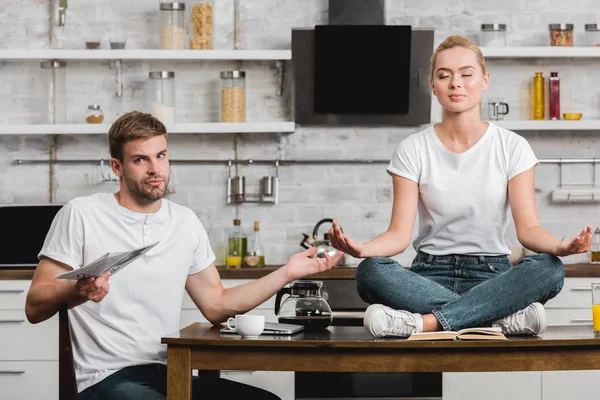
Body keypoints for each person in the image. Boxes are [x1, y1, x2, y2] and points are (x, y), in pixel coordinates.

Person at [25, 111, 344, 400]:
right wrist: (76, 290)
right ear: (116, 167)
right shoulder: (81, 214)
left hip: (169, 371)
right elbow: (34, 305)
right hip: (104, 380)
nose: (155, 169)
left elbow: (217, 305)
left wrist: (288, 272)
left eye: (161, 156)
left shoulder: (184, 221)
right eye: (140, 160)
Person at [327, 35, 592, 338]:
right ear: (433, 85)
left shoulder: (513, 147)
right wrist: (362, 249)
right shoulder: (413, 148)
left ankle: (426, 323)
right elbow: (398, 235)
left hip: (493, 276)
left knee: (550, 268)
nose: (456, 83)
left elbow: (528, 229)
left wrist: (560, 247)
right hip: (428, 276)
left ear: (484, 81)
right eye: (444, 75)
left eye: (466, 74)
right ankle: (495, 319)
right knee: (370, 272)